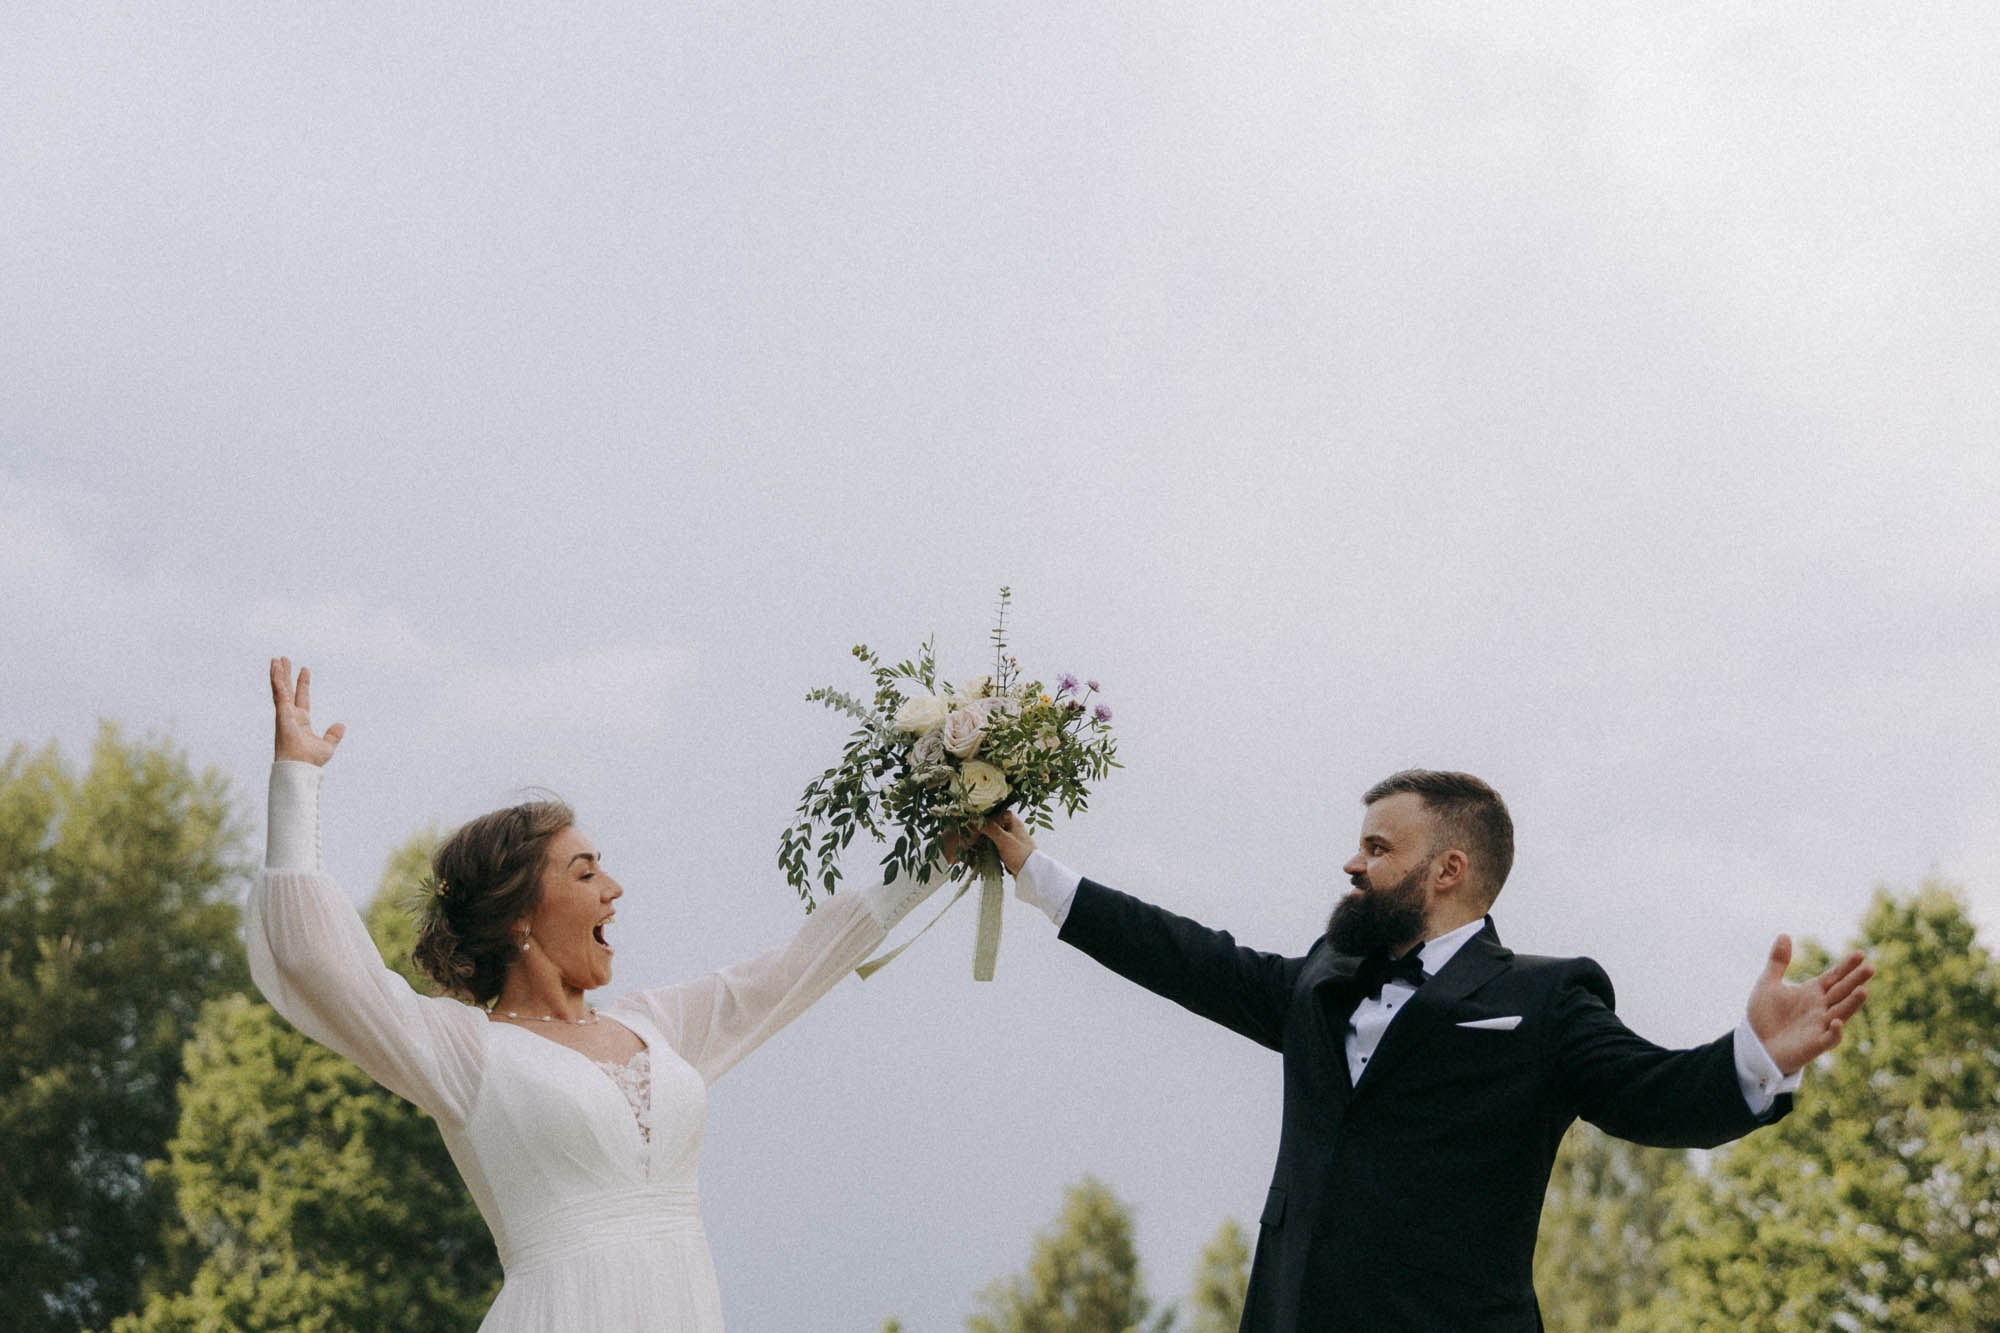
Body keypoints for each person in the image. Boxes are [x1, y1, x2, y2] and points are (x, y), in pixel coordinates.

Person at [980, 769, 1873, 1332]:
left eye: (1376, 846)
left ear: (1448, 869)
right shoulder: (1322, 981)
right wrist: (1034, 871)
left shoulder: (1546, 995)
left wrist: (1754, 1054)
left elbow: (1657, 1094)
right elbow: (1191, 957)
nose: (1352, 864)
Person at [249, 659, 940, 1331]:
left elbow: (796, 966)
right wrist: (296, 781)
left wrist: (941, 852)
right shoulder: (467, 1053)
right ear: (521, 913)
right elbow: (316, 959)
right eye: (585, 873)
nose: (613, 887)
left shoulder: (658, 1025)